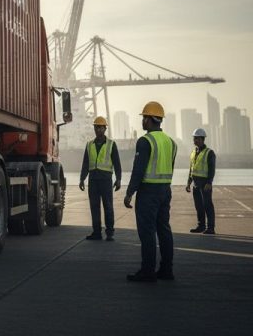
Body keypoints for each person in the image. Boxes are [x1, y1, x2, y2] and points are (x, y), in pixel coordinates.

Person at [123, 101, 178, 282]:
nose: (142, 121)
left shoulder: (145, 141)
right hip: (165, 190)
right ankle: (166, 270)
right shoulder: (171, 143)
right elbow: (170, 167)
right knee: (164, 230)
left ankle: (147, 271)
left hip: (148, 192)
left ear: (149, 119)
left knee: (147, 232)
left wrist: (130, 192)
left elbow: (138, 170)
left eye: (144, 118)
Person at [79, 116, 122, 241]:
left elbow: (117, 163)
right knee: (94, 207)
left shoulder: (111, 144)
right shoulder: (89, 145)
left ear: (105, 128)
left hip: (106, 180)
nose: (98, 129)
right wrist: (82, 179)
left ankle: (109, 233)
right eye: (96, 127)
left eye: (100, 127)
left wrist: (118, 179)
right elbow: (85, 164)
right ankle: (97, 232)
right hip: (93, 180)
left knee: (108, 206)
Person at [186, 128, 216, 235]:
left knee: (207, 205)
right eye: (194, 138)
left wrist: (209, 182)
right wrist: (188, 182)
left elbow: (212, 169)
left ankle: (211, 228)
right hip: (195, 183)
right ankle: (201, 226)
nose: (195, 141)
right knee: (198, 206)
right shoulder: (194, 152)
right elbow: (192, 168)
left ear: (203, 140)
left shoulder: (209, 153)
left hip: (205, 183)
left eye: (197, 139)